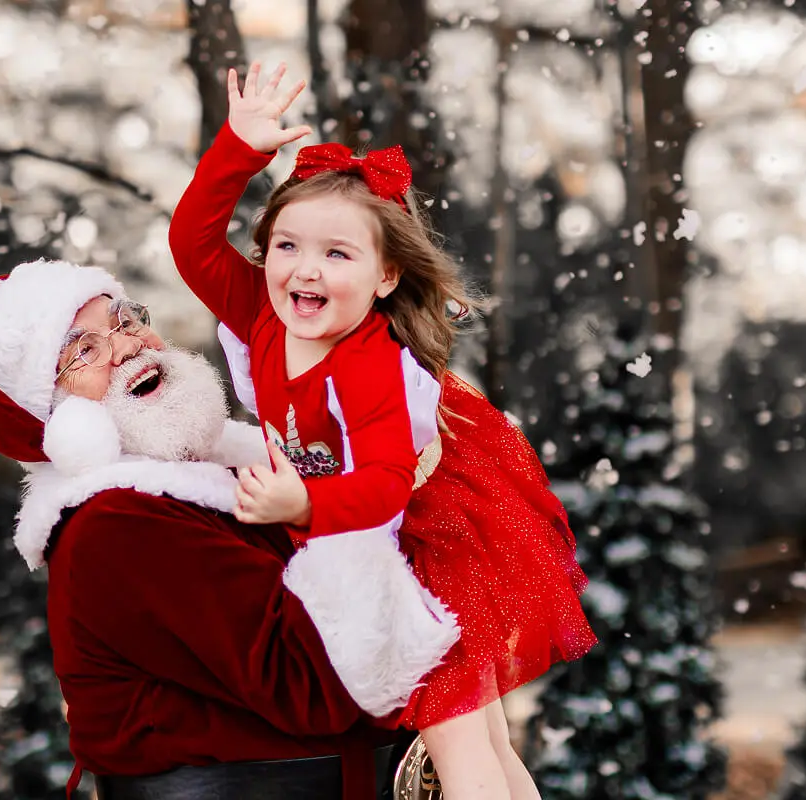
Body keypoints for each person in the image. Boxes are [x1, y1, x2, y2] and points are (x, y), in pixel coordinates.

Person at [167, 62, 599, 800]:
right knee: (484, 734)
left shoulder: (364, 367)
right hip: (380, 527)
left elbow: (382, 489)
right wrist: (237, 149)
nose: (305, 270)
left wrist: (301, 507)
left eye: (338, 254)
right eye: (288, 246)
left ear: (387, 277)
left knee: (458, 737)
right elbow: (191, 244)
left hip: (434, 534)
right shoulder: (262, 313)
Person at [0, 258, 457, 800]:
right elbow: (319, 681)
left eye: (125, 321)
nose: (127, 346)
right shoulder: (119, 526)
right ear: (51, 415)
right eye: (83, 351)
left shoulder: (228, 479)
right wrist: (355, 507)